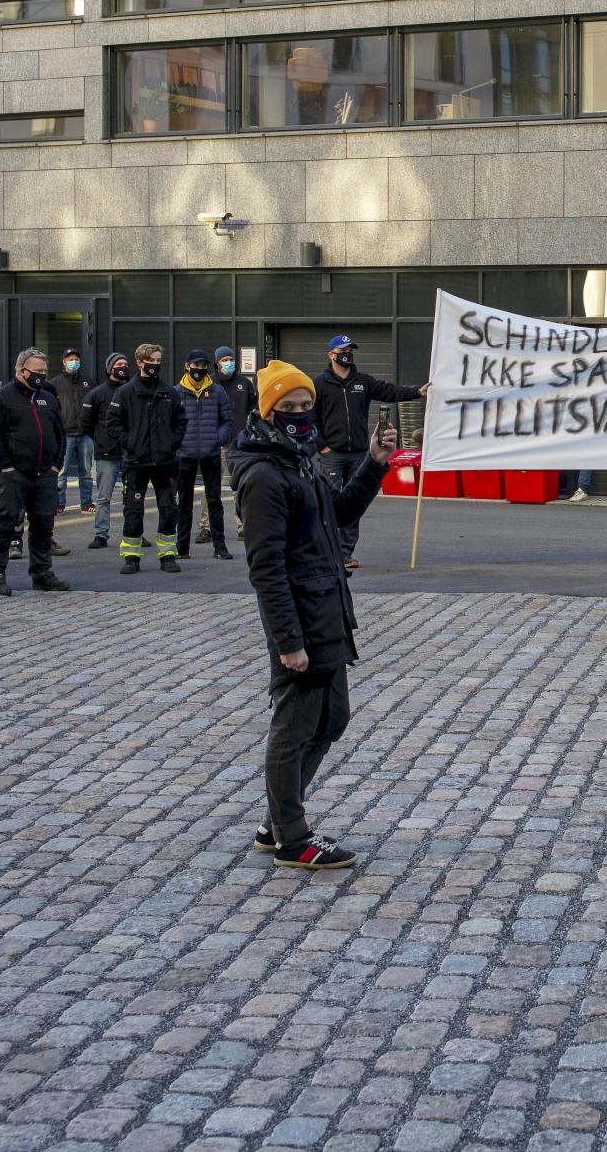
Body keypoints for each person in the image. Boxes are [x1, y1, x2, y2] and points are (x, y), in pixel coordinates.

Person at [232, 360, 402, 871]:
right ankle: (290, 836)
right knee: (295, 725)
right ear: (267, 413)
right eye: (288, 408)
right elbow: (266, 569)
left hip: (328, 608)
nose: (301, 415)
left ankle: (277, 819)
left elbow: (341, 512)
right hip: (301, 619)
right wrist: (288, 641)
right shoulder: (263, 475)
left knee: (332, 719)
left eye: (306, 406)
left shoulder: (299, 460)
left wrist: (374, 462)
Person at [313, 334, 424, 570]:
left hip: (359, 453)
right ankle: (327, 550)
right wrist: (322, 445)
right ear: (330, 355)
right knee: (329, 504)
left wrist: (417, 392)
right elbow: (311, 418)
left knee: (353, 506)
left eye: (351, 350)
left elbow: (389, 391)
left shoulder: (362, 381)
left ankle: (345, 553)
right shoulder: (319, 384)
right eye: (343, 350)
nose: (348, 354)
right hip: (332, 453)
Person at [0, 348, 70, 596]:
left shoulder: (48, 399)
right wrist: (6, 466)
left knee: (43, 525)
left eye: (44, 371)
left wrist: (56, 465)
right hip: (13, 475)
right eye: (37, 371)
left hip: (44, 474)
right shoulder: (0, 398)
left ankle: (42, 573)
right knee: (5, 524)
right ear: (21, 371)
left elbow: (60, 434)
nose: (41, 376)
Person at [105, 342, 187, 574]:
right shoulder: (125, 392)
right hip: (136, 462)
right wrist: (131, 443)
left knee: (169, 509)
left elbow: (181, 421)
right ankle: (131, 556)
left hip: (165, 462)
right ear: (140, 362)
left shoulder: (168, 392)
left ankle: (168, 555)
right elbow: (112, 423)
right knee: (133, 509)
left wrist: (172, 443)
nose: (155, 365)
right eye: (151, 361)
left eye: (158, 361)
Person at [175, 349, 234, 560]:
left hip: (210, 454)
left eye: (203, 366)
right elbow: (171, 424)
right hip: (185, 455)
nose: (199, 369)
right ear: (187, 365)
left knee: (215, 501)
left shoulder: (217, 391)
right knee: (184, 503)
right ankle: (182, 549)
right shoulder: (177, 392)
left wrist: (217, 439)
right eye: (196, 365)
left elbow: (227, 421)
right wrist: (177, 443)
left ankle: (220, 547)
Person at [201, 346, 255, 542]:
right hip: (216, 445)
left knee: (240, 487)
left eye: (231, 359)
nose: (229, 362)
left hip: (240, 444)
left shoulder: (244, 384)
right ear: (217, 363)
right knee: (211, 488)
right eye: (224, 359)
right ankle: (207, 527)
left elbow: (254, 409)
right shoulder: (210, 385)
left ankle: (243, 526)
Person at [82, 353, 130, 550]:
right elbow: (86, 423)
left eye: (125, 364)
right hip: (106, 453)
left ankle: (134, 532)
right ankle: (101, 534)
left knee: (132, 498)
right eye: (119, 364)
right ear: (110, 368)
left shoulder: (132, 391)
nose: (123, 367)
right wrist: (101, 440)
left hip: (130, 453)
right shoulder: (97, 393)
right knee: (103, 497)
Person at [47, 348, 94, 517]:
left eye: (76, 358)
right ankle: (59, 504)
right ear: (63, 362)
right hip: (64, 434)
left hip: (85, 434)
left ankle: (86, 503)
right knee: (61, 472)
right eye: (70, 359)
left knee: (87, 472)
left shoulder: (88, 382)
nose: (73, 361)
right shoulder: (54, 384)